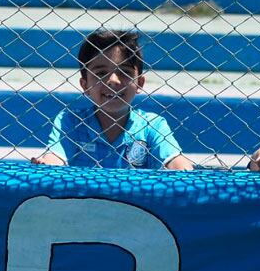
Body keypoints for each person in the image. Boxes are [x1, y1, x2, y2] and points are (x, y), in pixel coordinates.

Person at [33, 30, 193, 170]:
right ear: (85, 84)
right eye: (101, 73)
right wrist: (47, 163)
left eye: (124, 72)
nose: (113, 80)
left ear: (140, 83)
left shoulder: (153, 126)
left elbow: (174, 161)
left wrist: (181, 167)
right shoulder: (70, 121)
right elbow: (56, 158)